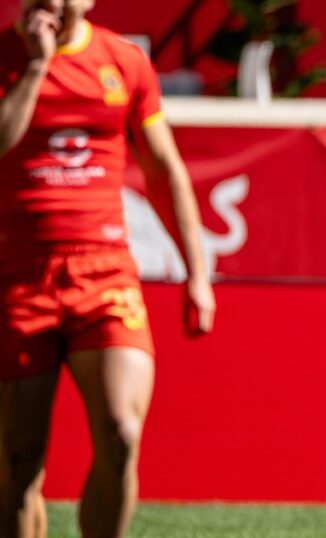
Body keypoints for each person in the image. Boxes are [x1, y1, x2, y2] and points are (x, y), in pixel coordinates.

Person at [0, 1, 215, 537]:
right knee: (18, 462)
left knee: (122, 431)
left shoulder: (124, 61)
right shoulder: (4, 54)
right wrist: (34, 66)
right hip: (17, 274)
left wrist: (197, 272)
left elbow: (164, 169)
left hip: (105, 272)